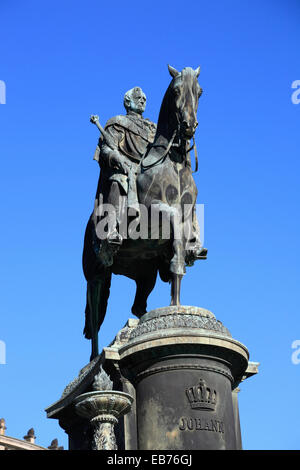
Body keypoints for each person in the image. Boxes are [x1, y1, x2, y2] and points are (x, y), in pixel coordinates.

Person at [92, 87, 156, 245]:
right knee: (118, 180)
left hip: (148, 170)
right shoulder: (118, 123)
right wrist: (117, 158)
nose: (142, 100)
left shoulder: (153, 128)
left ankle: (188, 237)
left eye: (144, 99)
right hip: (124, 169)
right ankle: (111, 230)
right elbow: (106, 148)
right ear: (128, 101)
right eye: (138, 97)